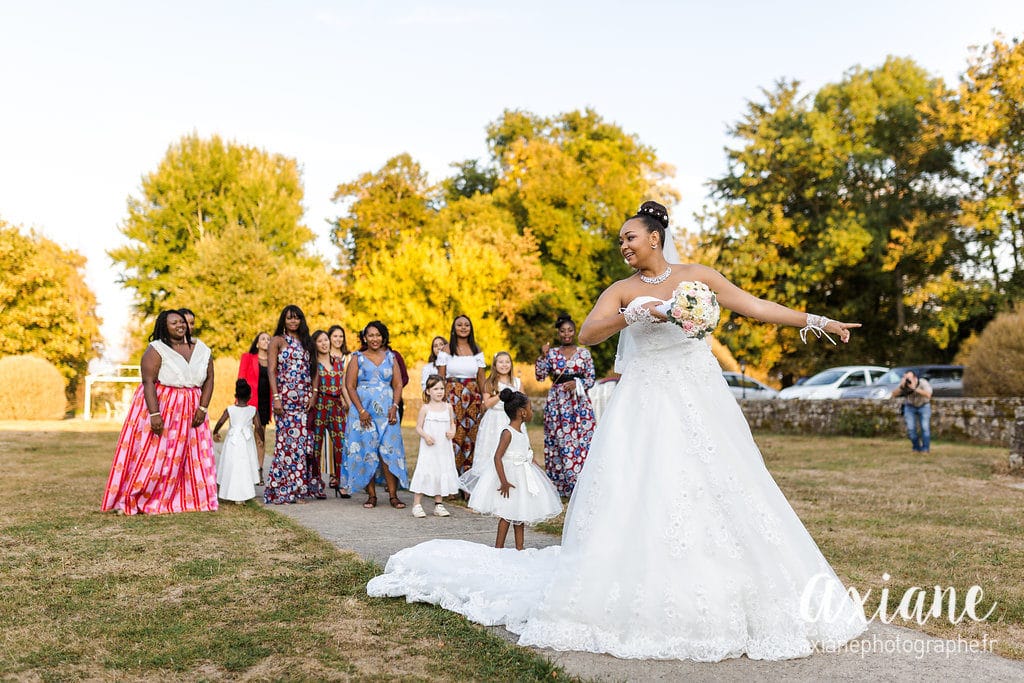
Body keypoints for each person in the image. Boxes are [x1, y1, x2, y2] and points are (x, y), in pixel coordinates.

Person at [367, 200, 867, 661]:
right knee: (643, 484)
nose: (624, 246)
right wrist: (632, 313)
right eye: (620, 241)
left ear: (655, 237)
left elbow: (755, 306)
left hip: (700, 395)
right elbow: (588, 333)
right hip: (645, 401)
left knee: (723, 482)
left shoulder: (697, 276)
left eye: (631, 237)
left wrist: (819, 320)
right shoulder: (621, 290)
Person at [101, 310, 217, 515]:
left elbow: (209, 379)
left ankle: (192, 498)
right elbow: (148, 382)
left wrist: (203, 407)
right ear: (164, 327)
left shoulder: (202, 349)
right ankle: (143, 496)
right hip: (166, 408)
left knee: (191, 456)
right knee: (158, 456)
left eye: (182, 321)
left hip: (194, 409)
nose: (180, 325)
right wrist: (155, 414)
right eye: (174, 323)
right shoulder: (156, 349)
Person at [465, 389, 561, 550]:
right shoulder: (507, 433)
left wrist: (541, 474)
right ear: (522, 412)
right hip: (510, 477)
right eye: (530, 409)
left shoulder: (522, 432)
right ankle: (498, 548)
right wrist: (504, 482)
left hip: (522, 476)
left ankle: (520, 548)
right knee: (506, 514)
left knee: (520, 513)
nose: (532, 412)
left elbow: (528, 455)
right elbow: (497, 457)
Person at [344, 321, 410, 509]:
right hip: (363, 412)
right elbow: (350, 386)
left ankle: (393, 495)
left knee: (389, 451)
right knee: (367, 451)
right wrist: (361, 411)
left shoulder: (391, 357)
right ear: (365, 337)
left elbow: (398, 384)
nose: (374, 339)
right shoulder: (357, 357)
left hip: (387, 412)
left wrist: (395, 406)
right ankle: (371, 495)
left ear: (383, 337)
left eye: (378, 335)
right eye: (371, 335)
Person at [264, 305, 324, 504]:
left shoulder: (307, 342)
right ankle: (283, 489)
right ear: (284, 320)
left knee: (303, 446)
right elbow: (271, 371)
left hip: (304, 400)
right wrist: (276, 397)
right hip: (285, 400)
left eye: (296, 318)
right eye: (289, 318)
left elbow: (314, 370)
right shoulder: (277, 341)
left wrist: (314, 394)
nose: (293, 322)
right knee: (286, 445)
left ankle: (300, 489)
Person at [535, 314, 597, 497]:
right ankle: (563, 486)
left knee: (583, 441)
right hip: (558, 403)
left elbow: (591, 378)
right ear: (558, 333)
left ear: (575, 331)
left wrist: (577, 383)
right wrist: (543, 355)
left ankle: (582, 484)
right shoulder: (552, 353)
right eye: (563, 331)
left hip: (579, 404)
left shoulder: (584, 353)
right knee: (560, 441)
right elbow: (539, 376)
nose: (566, 334)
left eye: (570, 330)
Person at [459, 351, 520, 494]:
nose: (504, 365)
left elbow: (522, 402)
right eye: (501, 362)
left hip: (511, 420)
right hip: (494, 421)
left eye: (507, 362)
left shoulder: (517, 382)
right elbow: (487, 404)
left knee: (510, 453)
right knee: (491, 451)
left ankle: (509, 483)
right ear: (495, 365)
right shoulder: (490, 383)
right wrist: (500, 395)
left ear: (511, 364)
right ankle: (486, 491)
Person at [436, 315, 486, 475]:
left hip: (473, 399)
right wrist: (440, 400)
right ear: (454, 328)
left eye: (467, 325)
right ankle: (451, 480)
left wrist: (485, 398)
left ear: (470, 328)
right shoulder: (446, 350)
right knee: (454, 436)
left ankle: (468, 480)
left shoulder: (476, 350)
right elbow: (441, 378)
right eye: (459, 325)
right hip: (453, 398)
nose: (463, 327)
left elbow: (481, 378)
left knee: (471, 437)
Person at [409, 375, 460, 518]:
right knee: (426, 469)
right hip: (429, 446)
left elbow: (452, 423)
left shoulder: (448, 407)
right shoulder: (425, 408)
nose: (439, 391)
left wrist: (453, 431)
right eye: (435, 388)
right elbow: (418, 427)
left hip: (443, 447)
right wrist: (426, 436)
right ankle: (417, 504)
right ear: (428, 391)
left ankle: (439, 504)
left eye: (442, 388)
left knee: (441, 469)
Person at [310, 329, 351, 497]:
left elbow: (342, 386)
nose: (324, 343)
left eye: (325, 340)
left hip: (336, 405)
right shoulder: (312, 364)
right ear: (314, 344)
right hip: (320, 404)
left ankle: (342, 482)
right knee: (316, 446)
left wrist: (348, 403)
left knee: (341, 444)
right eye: (319, 341)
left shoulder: (338, 362)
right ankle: (316, 483)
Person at [212, 379, 260, 504]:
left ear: (235, 396)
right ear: (250, 396)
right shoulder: (253, 410)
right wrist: (261, 439)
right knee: (245, 465)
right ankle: (244, 494)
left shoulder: (230, 409)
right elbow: (259, 427)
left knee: (231, 464)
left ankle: (230, 491)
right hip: (246, 441)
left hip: (232, 441)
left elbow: (220, 422)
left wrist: (215, 432)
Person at [238, 331, 271, 484]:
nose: (266, 341)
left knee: (260, 438)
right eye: (262, 339)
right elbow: (241, 378)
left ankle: (259, 472)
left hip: (264, 403)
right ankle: (244, 471)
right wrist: (239, 401)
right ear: (257, 343)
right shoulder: (248, 357)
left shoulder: (273, 361)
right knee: (245, 437)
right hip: (249, 402)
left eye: (268, 339)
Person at [892, 370, 933, 453]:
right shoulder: (904, 385)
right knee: (911, 428)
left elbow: (928, 395)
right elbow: (893, 394)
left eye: (909, 378)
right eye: (906, 378)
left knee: (925, 427)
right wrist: (901, 387)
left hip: (923, 406)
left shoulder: (922, 382)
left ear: (915, 378)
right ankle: (916, 448)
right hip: (910, 406)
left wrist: (915, 388)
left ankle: (925, 449)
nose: (908, 380)